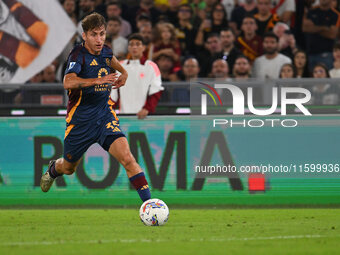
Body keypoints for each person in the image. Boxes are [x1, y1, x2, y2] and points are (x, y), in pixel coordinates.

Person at [40, 13, 152, 203]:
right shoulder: (77, 54)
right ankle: (53, 168)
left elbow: (112, 61)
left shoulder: (106, 51)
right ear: (84, 36)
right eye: (94, 34)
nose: (99, 39)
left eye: (102, 34)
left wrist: (123, 73)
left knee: (128, 159)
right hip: (80, 122)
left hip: (104, 117)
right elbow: (68, 82)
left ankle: (150, 205)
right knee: (68, 168)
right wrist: (98, 80)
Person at [111, 33, 164, 119]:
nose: (134, 47)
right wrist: (107, 110)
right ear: (128, 48)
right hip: (124, 115)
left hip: (144, 115)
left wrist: (147, 109)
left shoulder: (151, 66)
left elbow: (156, 91)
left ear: (144, 47)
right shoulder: (120, 66)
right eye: (131, 44)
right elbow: (114, 93)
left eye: (138, 44)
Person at [302, 0, 340, 70]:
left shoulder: (336, 14)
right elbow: (305, 28)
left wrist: (313, 28)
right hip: (310, 53)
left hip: (326, 54)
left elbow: (332, 34)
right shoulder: (311, 11)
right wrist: (324, 28)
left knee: (326, 79)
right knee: (311, 79)